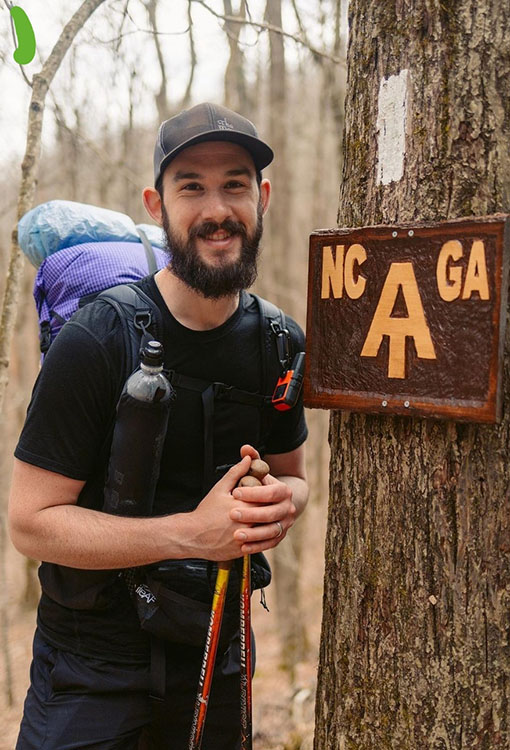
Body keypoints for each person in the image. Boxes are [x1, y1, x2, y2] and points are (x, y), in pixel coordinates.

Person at [9, 102, 309, 749]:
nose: (216, 208)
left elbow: (295, 478)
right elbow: (31, 522)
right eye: (190, 186)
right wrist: (193, 536)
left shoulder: (279, 342)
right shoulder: (98, 336)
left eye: (234, 183)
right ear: (155, 202)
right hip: (90, 670)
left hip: (217, 655)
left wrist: (282, 504)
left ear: (263, 197)